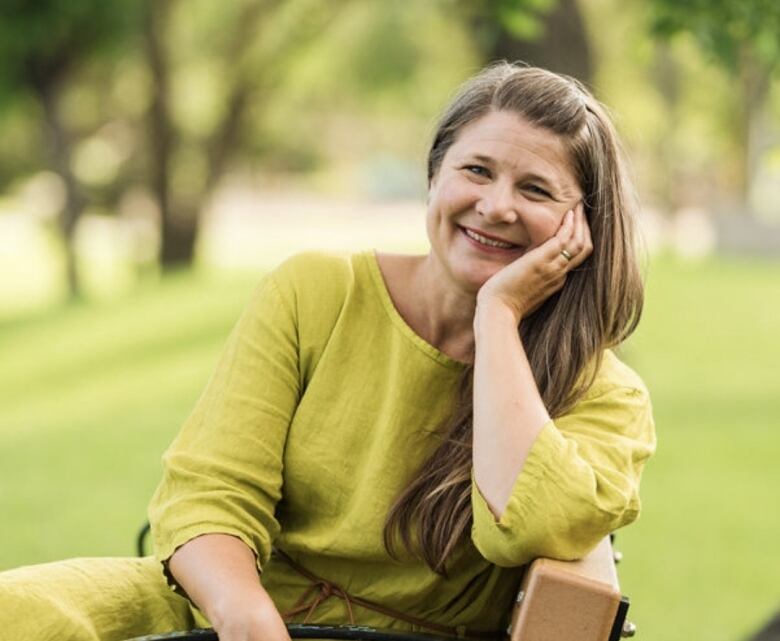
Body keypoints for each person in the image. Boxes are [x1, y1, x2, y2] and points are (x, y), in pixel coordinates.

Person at [0, 61, 655, 641]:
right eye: (476, 170)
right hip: (235, 609)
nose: (495, 205)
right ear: (434, 178)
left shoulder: (604, 397)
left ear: (585, 226)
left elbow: (525, 524)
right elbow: (208, 493)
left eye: (535, 190)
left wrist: (499, 318)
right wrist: (245, 614)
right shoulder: (317, 290)